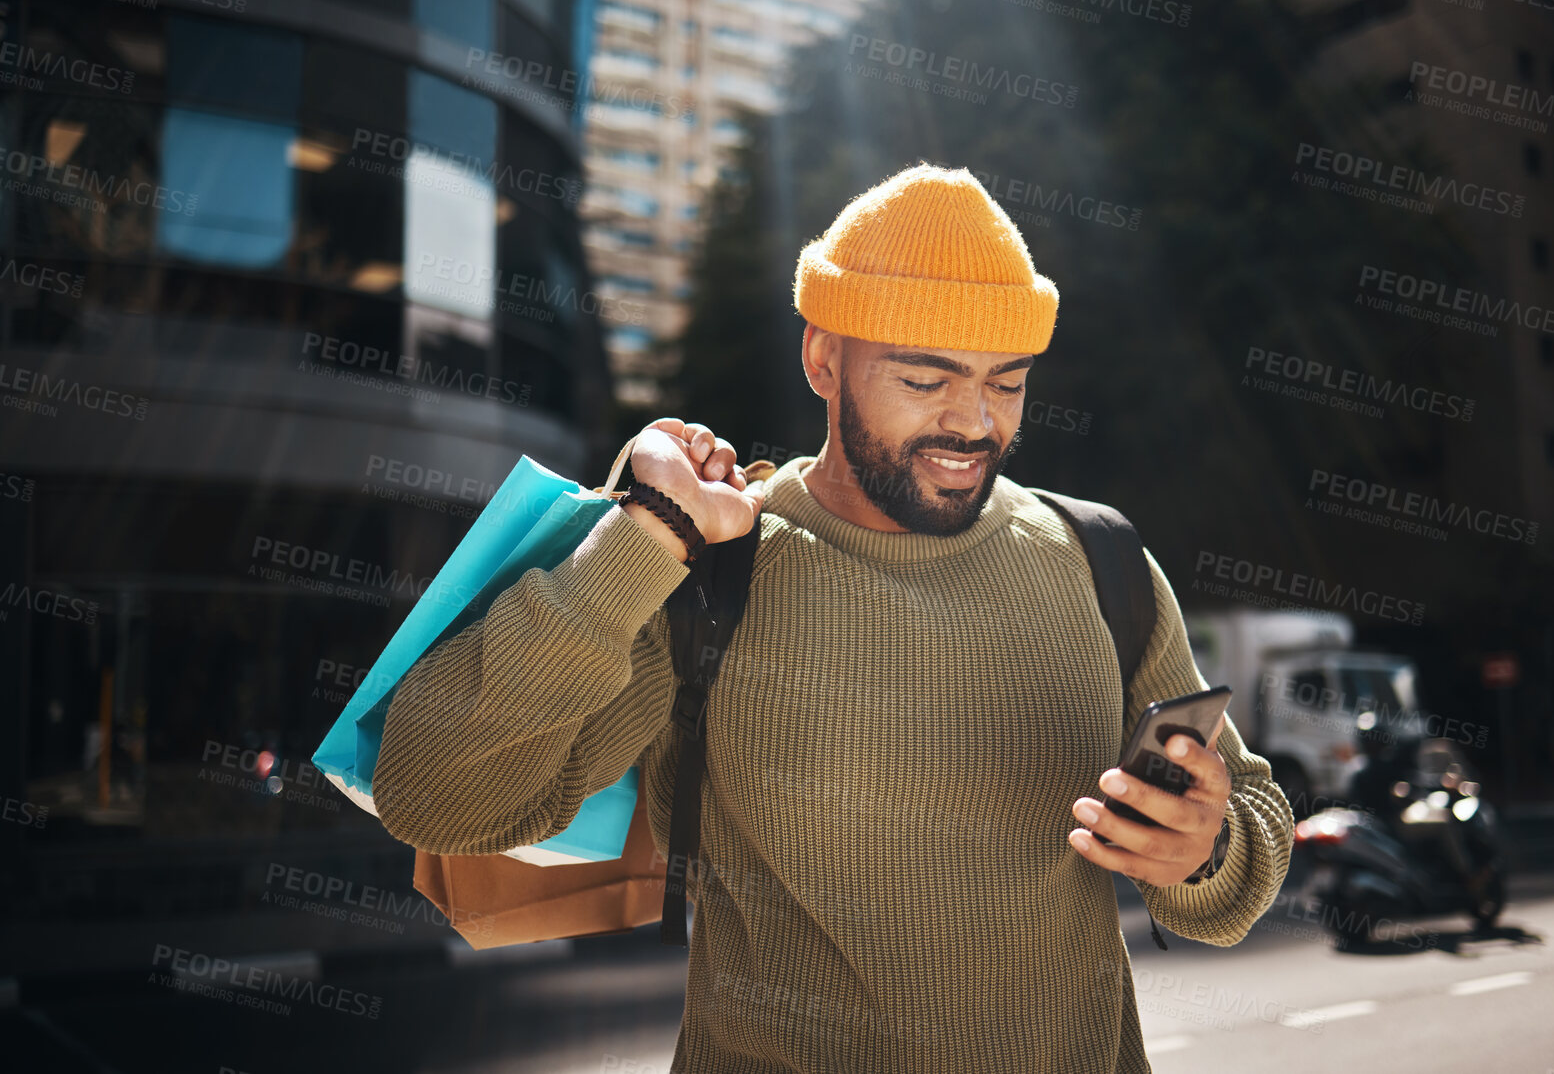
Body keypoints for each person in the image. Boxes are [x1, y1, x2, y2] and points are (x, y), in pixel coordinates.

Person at [373, 163, 1294, 1073]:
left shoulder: (1102, 559)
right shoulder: (709, 568)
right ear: (823, 358)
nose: (973, 424)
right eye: (926, 379)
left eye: (1005, 382)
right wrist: (644, 540)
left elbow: (1248, 824)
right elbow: (438, 796)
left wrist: (1207, 848)